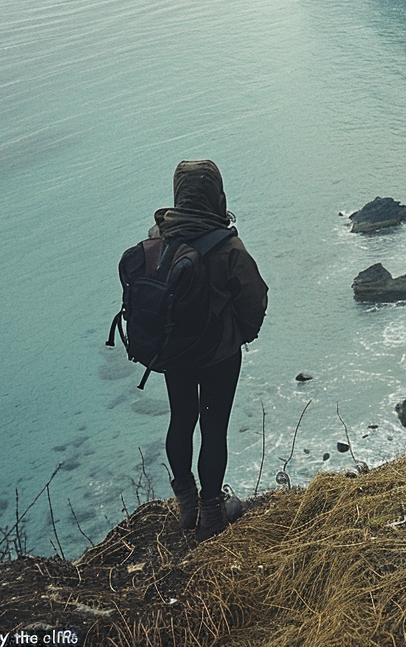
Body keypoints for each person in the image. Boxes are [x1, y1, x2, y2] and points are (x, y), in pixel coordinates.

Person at [152, 159, 268, 541]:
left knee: (180, 420)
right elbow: (254, 296)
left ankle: (185, 502)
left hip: (174, 353)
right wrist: (241, 334)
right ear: (215, 194)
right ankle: (211, 514)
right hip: (218, 354)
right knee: (213, 428)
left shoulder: (159, 236)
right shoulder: (227, 244)